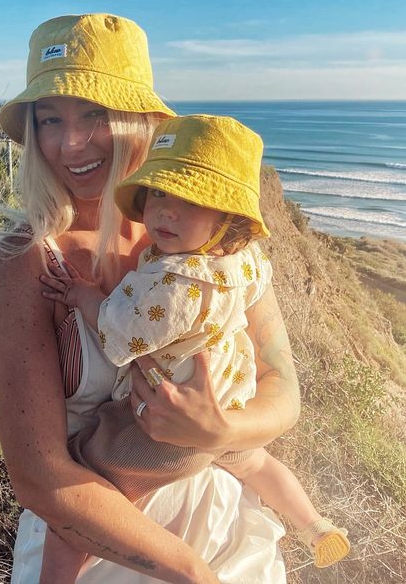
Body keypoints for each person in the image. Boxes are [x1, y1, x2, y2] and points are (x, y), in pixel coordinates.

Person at [0, 13, 301, 583]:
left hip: (221, 522)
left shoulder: (218, 239)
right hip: (98, 542)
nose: (71, 144)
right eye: (50, 119)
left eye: (96, 115)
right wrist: (192, 573)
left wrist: (222, 432)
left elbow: (282, 386)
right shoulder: (26, 261)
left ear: (143, 122)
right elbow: (37, 473)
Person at [38, 114, 350, 581]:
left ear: (228, 219)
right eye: (159, 193)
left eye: (189, 201)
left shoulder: (174, 284)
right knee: (259, 463)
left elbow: (118, 334)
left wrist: (83, 295)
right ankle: (313, 523)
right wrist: (222, 430)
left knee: (79, 512)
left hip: (163, 430)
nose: (165, 212)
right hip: (227, 405)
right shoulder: (242, 262)